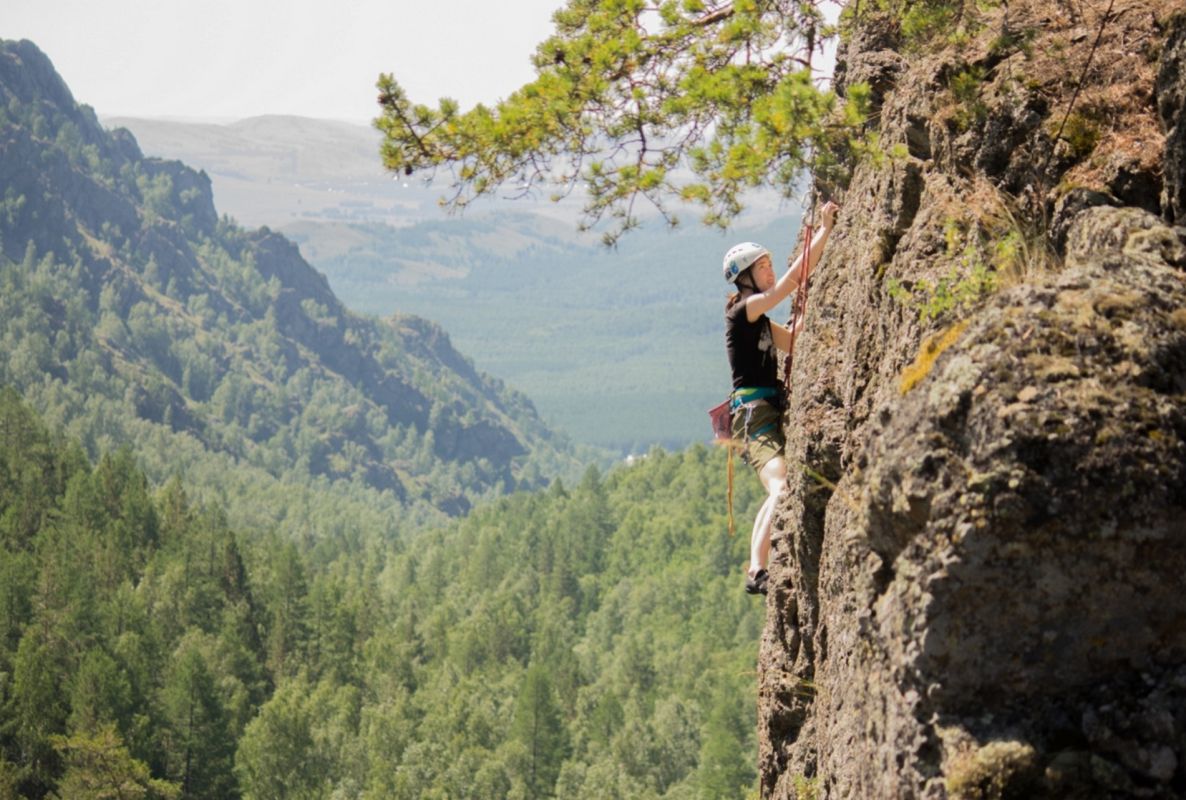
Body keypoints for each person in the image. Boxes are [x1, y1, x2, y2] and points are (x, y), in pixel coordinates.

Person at [723, 201, 839, 595]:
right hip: (754, 417)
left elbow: (792, 343)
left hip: (763, 413)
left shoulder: (758, 321)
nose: (770, 271)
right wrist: (824, 231)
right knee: (782, 486)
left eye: (770, 264)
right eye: (763, 267)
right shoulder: (742, 312)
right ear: (745, 279)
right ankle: (757, 569)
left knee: (780, 487)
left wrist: (806, 313)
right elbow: (789, 283)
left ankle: (757, 567)